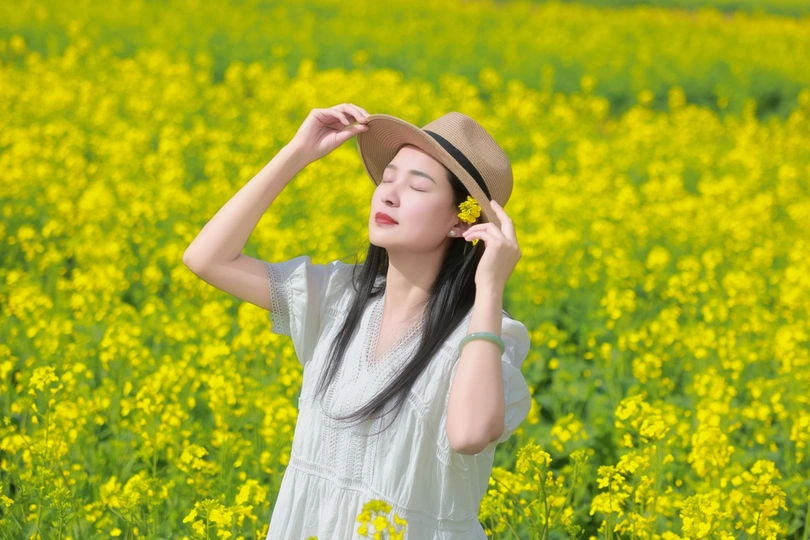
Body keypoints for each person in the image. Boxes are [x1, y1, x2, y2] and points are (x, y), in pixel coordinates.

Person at [183, 104, 532, 539]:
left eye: (416, 186)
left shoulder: (482, 336)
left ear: (461, 221)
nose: (388, 195)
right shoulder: (337, 298)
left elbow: (468, 434)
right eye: (387, 179)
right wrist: (297, 153)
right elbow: (206, 259)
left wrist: (490, 288)